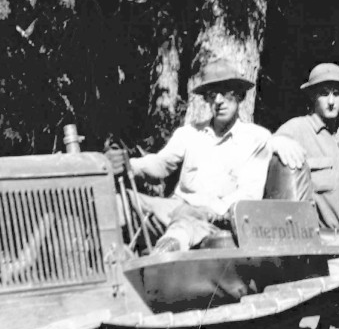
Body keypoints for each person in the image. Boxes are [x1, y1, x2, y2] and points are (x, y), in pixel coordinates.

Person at [106, 59, 272, 253]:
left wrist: (209, 211)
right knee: (117, 202)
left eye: (226, 92)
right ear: (207, 100)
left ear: (240, 96)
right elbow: (161, 164)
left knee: (184, 225)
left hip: (216, 219)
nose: (218, 101)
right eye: (212, 95)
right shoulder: (189, 133)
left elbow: (248, 195)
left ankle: (164, 254)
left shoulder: (256, 138)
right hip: (174, 209)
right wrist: (129, 164)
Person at [274, 63, 339, 283]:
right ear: (312, 96)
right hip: (325, 249)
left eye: (337, 94)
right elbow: (265, 147)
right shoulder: (298, 129)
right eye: (323, 94)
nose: (330, 101)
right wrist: (276, 142)